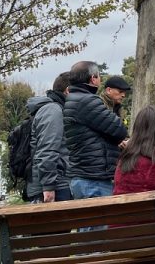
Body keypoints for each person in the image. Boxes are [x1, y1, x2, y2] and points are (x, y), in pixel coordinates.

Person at [63, 61, 129, 200]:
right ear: (93, 78)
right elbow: (119, 130)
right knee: (101, 221)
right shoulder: (88, 101)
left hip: (84, 175)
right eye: (99, 76)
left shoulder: (74, 99)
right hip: (93, 178)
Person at [25, 72, 73, 203]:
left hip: (56, 184)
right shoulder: (53, 110)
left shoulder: (57, 109)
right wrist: (48, 186)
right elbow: (47, 149)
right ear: (68, 91)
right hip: (54, 187)